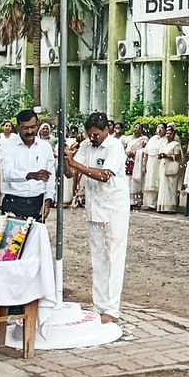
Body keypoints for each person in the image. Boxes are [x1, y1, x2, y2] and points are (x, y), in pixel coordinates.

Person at [65, 112, 129, 324]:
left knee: (114, 258)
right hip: (94, 209)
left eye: (96, 135)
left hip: (114, 210)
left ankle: (112, 308)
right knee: (98, 259)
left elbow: (103, 175)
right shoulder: (85, 145)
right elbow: (69, 174)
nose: (93, 138)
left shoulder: (114, 147)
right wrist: (67, 159)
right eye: (89, 134)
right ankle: (99, 305)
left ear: (106, 130)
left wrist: (76, 165)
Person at [0, 110, 56, 221]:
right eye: (25, 128)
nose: (30, 131)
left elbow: (50, 177)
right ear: (18, 127)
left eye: (33, 127)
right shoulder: (7, 146)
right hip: (13, 203)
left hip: (37, 204)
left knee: (36, 238)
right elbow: (7, 173)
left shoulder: (45, 147)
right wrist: (30, 175)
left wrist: (48, 200)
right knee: (12, 238)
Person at [156, 126, 182, 213]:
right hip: (163, 165)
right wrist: (160, 156)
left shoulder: (175, 144)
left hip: (171, 166)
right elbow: (159, 154)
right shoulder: (163, 144)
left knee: (171, 187)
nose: (168, 135)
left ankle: (170, 207)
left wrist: (167, 156)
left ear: (173, 135)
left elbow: (177, 156)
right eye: (167, 133)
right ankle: (162, 206)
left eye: (170, 133)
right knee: (163, 187)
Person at [0, 120, 19, 206]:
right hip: (2, 162)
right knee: (1, 182)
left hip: (13, 161)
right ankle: (1, 203)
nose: (7, 127)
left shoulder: (15, 137)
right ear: (3, 127)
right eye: (6, 126)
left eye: (9, 126)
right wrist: (2, 153)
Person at [141, 124, 165, 210]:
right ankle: (149, 203)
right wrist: (144, 165)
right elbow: (146, 153)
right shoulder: (153, 139)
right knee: (150, 181)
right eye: (158, 127)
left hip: (159, 162)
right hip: (151, 162)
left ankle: (157, 203)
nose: (160, 129)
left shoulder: (165, 140)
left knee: (158, 181)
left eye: (162, 128)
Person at [125, 124, 148, 211]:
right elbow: (126, 149)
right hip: (129, 161)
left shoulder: (144, 139)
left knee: (136, 181)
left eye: (139, 128)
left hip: (137, 161)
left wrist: (136, 153)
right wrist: (127, 153)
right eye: (135, 127)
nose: (137, 129)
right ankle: (129, 201)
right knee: (128, 179)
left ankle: (137, 201)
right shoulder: (129, 139)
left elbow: (145, 150)